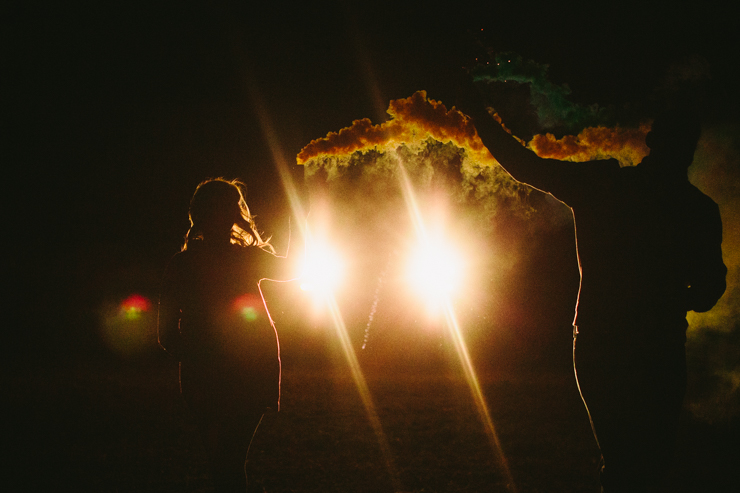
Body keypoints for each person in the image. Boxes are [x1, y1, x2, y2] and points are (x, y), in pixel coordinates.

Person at [452, 82, 727, 491]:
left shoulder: (605, 186)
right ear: (690, 147)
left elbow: (525, 165)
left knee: (619, 460)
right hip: (659, 348)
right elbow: (708, 292)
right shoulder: (699, 210)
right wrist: (671, 298)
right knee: (650, 462)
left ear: (651, 142)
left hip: (601, 343)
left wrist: (480, 117)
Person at [158, 178, 291, 492]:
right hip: (237, 372)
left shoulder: (184, 263)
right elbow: (293, 268)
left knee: (224, 462)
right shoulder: (237, 259)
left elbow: (166, 336)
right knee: (228, 462)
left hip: (219, 375)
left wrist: (197, 354)